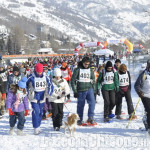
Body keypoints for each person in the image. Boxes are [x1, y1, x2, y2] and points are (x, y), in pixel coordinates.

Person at [26, 63, 53, 135]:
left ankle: (38, 126)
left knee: (41, 112)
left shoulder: (46, 76)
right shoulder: (31, 76)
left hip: (42, 96)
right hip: (34, 96)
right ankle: (35, 127)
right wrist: (27, 92)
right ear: (35, 70)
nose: (39, 73)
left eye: (40, 72)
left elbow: (50, 85)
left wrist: (49, 93)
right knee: (35, 111)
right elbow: (25, 84)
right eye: (38, 72)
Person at [71, 57, 96, 125]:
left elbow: (93, 79)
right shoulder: (77, 70)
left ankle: (90, 117)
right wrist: (75, 91)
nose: (86, 65)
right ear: (82, 63)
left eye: (88, 64)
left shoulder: (90, 70)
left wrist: (94, 89)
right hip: (81, 90)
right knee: (80, 105)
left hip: (89, 89)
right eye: (85, 64)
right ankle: (79, 119)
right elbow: (72, 81)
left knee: (92, 103)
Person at [134, 59, 150, 134]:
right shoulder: (144, 74)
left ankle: (146, 119)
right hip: (145, 95)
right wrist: (139, 92)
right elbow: (136, 85)